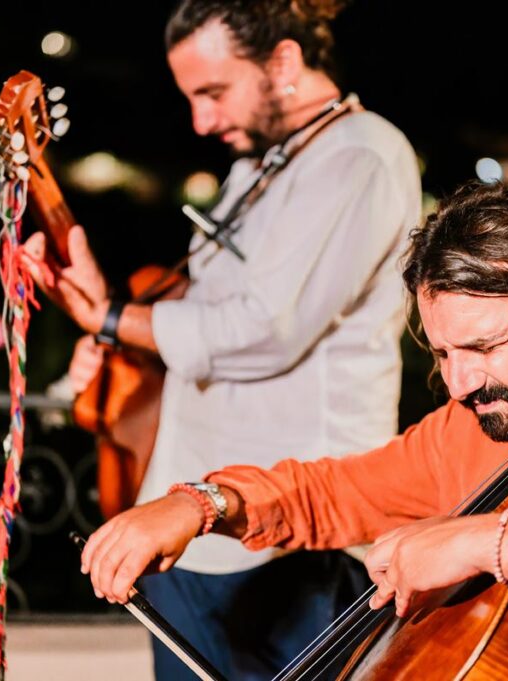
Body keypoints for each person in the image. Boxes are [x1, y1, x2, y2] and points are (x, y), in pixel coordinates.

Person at [78, 181, 508, 679]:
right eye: (443, 353)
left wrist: (487, 540)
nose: (459, 382)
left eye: (483, 347)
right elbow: (326, 493)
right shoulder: (474, 428)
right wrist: (202, 502)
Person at [24, 0, 422, 678]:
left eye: (212, 92)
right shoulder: (259, 164)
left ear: (284, 63)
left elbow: (264, 330)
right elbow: (207, 311)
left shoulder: (362, 154)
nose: (201, 121)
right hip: (189, 526)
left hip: (291, 538)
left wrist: (114, 320)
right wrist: (115, 323)